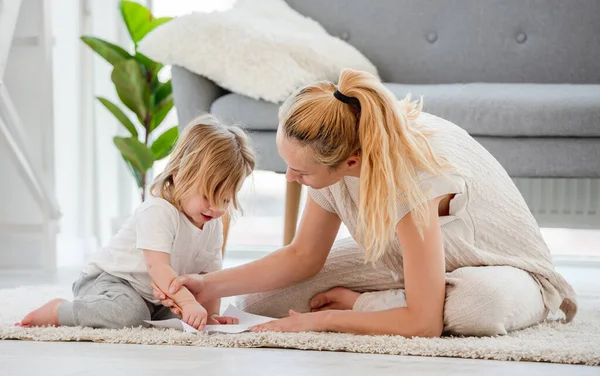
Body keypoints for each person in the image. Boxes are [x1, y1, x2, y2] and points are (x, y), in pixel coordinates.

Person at [154, 69, 577, 337]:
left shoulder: (410, 181)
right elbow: (303, 255)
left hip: (503, 269)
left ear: (351, 161)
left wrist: (325, 320)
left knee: (474, 310)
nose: (291, 179)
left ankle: (379, 303)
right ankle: (407, 293)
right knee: (260, 304)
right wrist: (207, 285)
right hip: (407, 257)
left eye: (301, 173)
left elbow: (424, 327)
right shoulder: (335, 151)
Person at [18, 114, 256, 330]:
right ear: (179, 175)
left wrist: (209, 314)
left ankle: (159, 309)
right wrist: (186, 301)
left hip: (157, 293)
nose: (217, 208)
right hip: (112, 281)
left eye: (225, 199)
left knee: (172, 320)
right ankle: (60, 311)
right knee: (130, 315)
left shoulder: (213, 223)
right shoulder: (159, 210)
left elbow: (209, 275)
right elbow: (158, 268)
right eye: (207, 196)